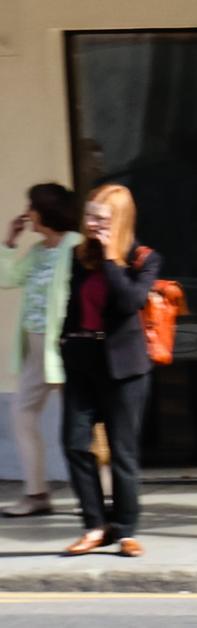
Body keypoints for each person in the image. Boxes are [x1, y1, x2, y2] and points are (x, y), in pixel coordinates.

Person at [56, 184, 161, 557]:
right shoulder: (78, 255)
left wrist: (113, 258)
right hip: (83, 359)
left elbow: (130, 300)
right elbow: (72, 302)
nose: (92, 224)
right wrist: (65, 342)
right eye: (90, 216)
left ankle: (126, 529)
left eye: (101, 219)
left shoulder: (143, 258)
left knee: (123, 453)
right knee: (73, 443)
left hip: (125, 365)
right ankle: (94, 526)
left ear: (119, 221)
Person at [2, 182, 81, 515]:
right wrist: (10, 241)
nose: (27, 213)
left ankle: (101, 495)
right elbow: (7, 278)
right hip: (37, 348)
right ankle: (36, 494)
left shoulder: (77, 246)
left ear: (46, 211)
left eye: (31, 207)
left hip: (67, 346)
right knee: (22, 412)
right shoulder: (37, 251)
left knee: (84, 420)